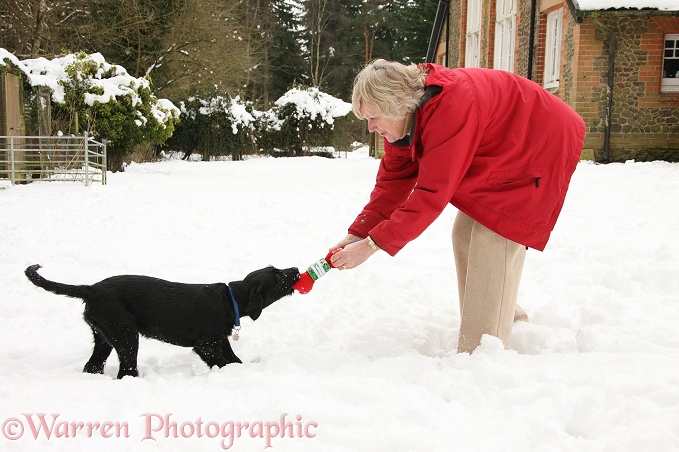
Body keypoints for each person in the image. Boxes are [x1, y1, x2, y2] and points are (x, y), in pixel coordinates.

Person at [329, 59, 586, 353]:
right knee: (464, 233)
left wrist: (372, 246)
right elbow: (392, 185)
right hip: (502, 148)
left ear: (396, 104)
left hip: (539, 143)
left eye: (374, 118)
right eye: (366, 120)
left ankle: (483, 349)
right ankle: (507, 316)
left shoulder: (451, 107)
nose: (372, 128)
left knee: (493, 236)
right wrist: (359, 234)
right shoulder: (404, 121)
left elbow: (430, 194)